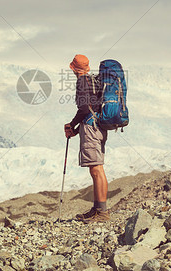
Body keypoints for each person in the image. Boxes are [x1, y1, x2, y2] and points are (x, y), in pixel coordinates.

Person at [64, 54, 109, 223]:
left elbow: (83, 109)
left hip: (91, 127)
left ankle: (102, 213)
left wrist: (72, 124)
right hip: (100, 126)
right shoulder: (94, 81)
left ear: (74, 68)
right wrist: (75, 129)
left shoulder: (82, 82)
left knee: (96, 169)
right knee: (97, 168)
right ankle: (98, 209)